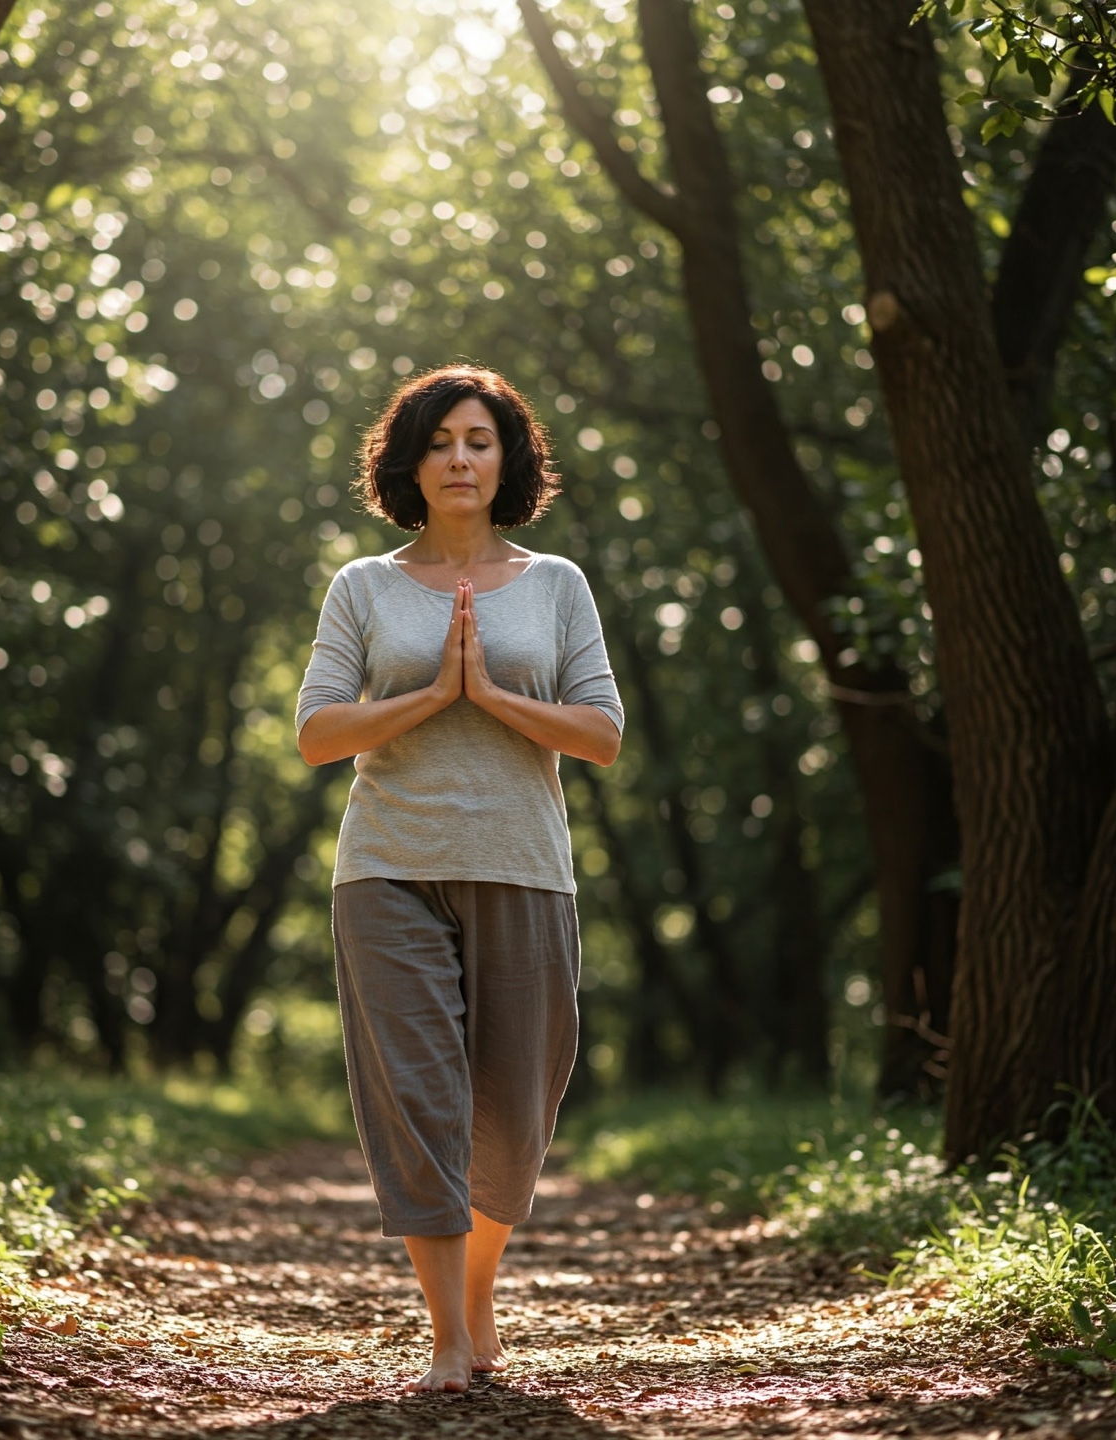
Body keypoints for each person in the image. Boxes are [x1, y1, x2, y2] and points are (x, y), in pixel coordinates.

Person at [294, 363, 624, 1393]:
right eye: (439, 442)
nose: (460, 459)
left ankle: (478, 1295)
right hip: (388, 866)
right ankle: (445, 1333)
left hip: (526, 871)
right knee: (419, 1102)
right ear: (410, 462)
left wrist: (491, 693)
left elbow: (602, 735)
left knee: (516, 1113)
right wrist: (435, 692)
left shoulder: (557, 585)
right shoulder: (365, 587)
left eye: (478, 440)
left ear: (508, 458)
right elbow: (315, 733)